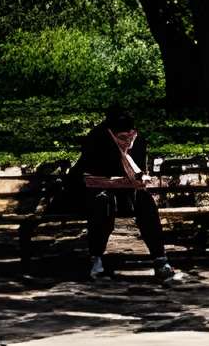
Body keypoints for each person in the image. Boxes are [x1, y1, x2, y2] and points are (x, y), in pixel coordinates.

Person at [77, 107, 184, 286]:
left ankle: (160, 260)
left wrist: (139, 178)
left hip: (126, 191)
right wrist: (111, 180)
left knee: (146, 203)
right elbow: (87, 173)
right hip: (95, 193)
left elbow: (139, 170)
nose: (127, 138)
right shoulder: (96, 138)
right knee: (104, 202)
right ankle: (96, 258)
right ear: (110, 130)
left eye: (130, 133)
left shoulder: (138, 141)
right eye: (122, 135)